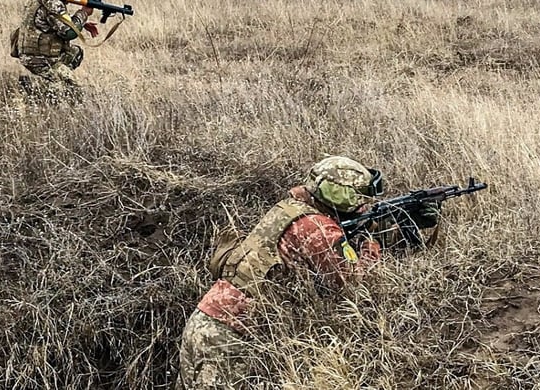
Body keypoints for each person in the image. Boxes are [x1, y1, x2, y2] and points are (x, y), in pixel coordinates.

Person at [175, 155, 440, 389]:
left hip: (208, 323)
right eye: (358, 196)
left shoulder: (290, 209)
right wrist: (371, 245)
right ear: (341, 195)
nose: (363, 204)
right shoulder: (316, 226)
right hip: (228, 338)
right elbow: (354, 283)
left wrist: (398, 223)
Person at [11, 0, 99, 100]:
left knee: (75, 52)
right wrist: (83, 14)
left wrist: (82, 23)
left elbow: (51, 22)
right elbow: (69, 33)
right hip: (41, 59)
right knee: (75, 92)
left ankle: (53, 79)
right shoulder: (53, 4)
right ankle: (36, 86)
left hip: (30, 54)